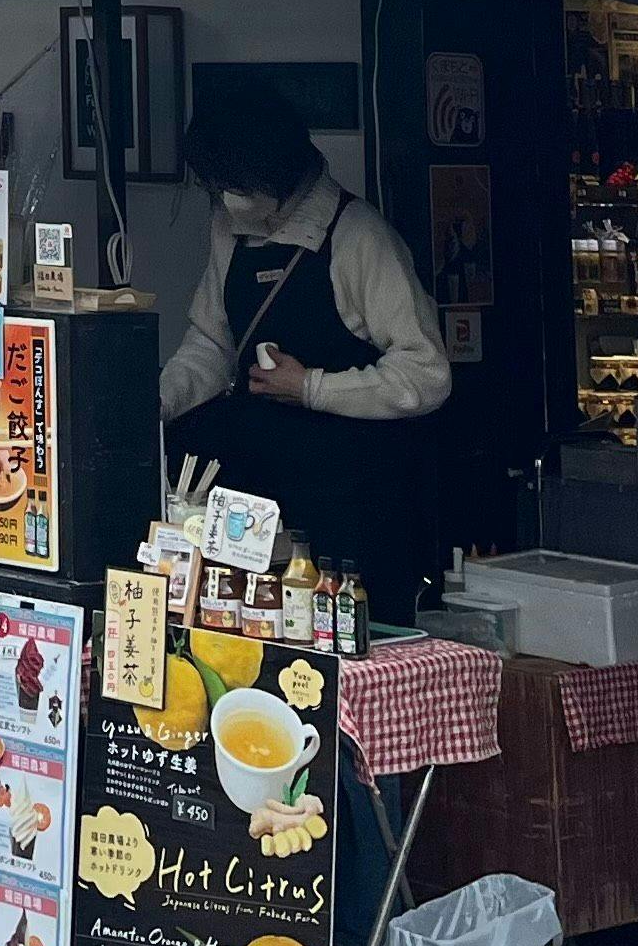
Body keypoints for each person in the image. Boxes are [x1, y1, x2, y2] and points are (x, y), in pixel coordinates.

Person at [158, 69, 452, 618]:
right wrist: (161, 401)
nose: (226, 199)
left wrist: (311, 387)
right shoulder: (229, 229)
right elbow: (210, 344)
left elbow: (427, 373)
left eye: (236, 184)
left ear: (275, 170)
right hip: (257, 499)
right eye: (218, 186)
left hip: (353, 502)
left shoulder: (359, 236)